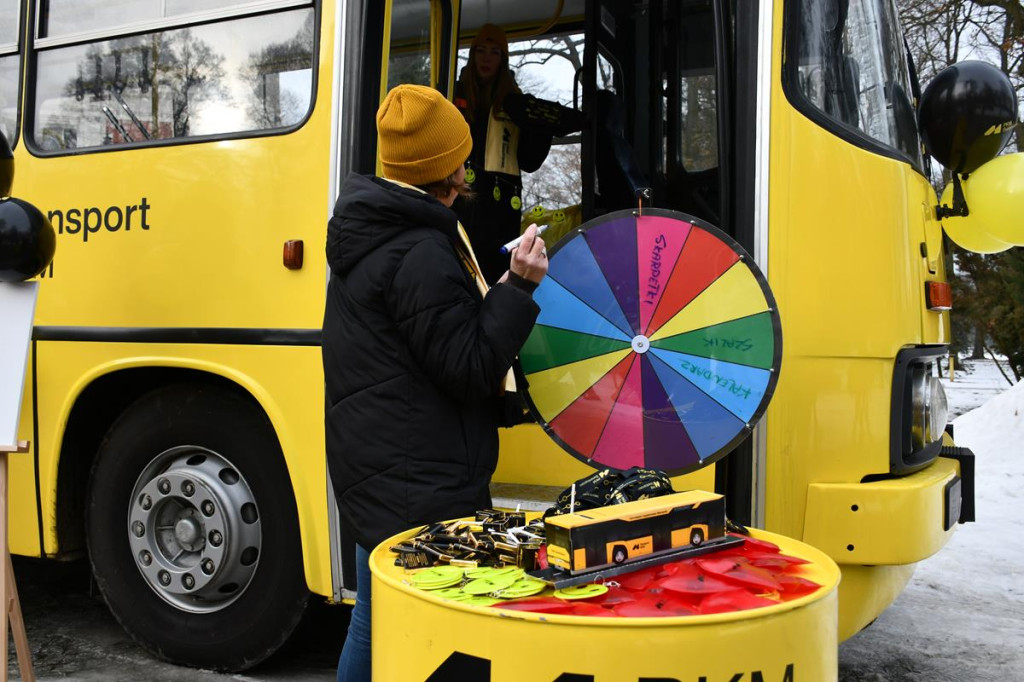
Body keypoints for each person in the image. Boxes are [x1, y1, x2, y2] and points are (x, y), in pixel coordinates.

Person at [322, 84, 548, 682]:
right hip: (417, 476)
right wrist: (518, 287)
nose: (468, 167)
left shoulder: (373, 232)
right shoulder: (421, 250)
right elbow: (471, 367)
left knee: (376, 613)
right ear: (444, 169)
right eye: (462, 158)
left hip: (383, 463)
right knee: (430, 629)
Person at [453, 23, 554, 284]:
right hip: (458, 197)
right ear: (473, 54)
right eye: (482, 51)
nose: (487, 58)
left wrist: (543, 126)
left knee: (493, 274)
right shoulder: (455, 95)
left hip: (500, 207)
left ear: (503, 59)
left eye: (495, 52)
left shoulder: (516, 102)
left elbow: (530, 161)